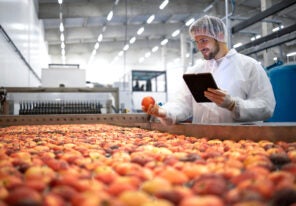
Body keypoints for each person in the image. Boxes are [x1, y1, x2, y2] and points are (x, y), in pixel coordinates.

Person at [142, 15, 276, 124]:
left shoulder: (249, 66)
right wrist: (163, 112)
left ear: (220, 36)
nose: (200, 47)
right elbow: (182, 103)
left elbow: (266, 106)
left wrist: (233, 105)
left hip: (242, 143)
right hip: (203, 143)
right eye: (197, 41)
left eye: (204, 40)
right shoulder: (195, 71)